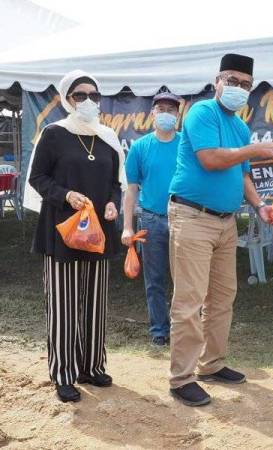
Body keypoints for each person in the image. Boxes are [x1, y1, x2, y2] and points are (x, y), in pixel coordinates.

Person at [167, 53, 273, 407]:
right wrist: (254, 148)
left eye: (246, 84)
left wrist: (260, 205)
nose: (239, 88)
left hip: (225, 221)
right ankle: (181, 378)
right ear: (217, 81)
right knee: (189, 301)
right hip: (192, 217)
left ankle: (212, 364)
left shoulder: (240, 126)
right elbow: (211, 159)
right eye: (232, 81)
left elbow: (243, 174)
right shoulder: (202, 112)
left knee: (222, 297)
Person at [24, 70, 127, 403]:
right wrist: (65, 196)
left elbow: (115, 181)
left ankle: (92, 366)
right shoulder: (54, 135)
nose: (88, 101)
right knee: (64, 304)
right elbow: (37, 178)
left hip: (98, 232)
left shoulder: (108, 137)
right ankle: (64, 373)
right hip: (63, 231)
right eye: (80, 95)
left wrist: (113, 202)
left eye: (94, 95)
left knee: (95, 304)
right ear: (67, 98)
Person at [122, 92, 182, 346]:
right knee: (154, 279)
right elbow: (131, 190)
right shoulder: (139, 147)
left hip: (184, 218)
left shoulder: (187, 145)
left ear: (177, 116)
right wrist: (127, 227)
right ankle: (159, 331)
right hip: (151, 220)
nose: (166, 113)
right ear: (153, 114)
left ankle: (184, 330)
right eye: (161, 109)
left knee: (187, 278)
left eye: (171, 110)